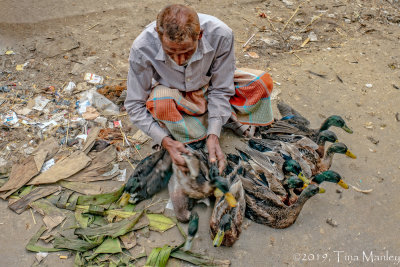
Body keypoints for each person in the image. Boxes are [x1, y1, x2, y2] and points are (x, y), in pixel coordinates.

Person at [125, 4, 274, 175]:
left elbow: (221, 89)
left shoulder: (220, 35)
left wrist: (213, 134)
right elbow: (134, 105)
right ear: (159, 38)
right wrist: (165, 140)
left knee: (259, 83)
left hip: (208, 88)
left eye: (187, 52)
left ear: (200, 36)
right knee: (161, 102)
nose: (179, 60)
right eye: (170, 52)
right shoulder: (142, 47)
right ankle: (200, 127)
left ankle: (207, 127)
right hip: (175, 96)